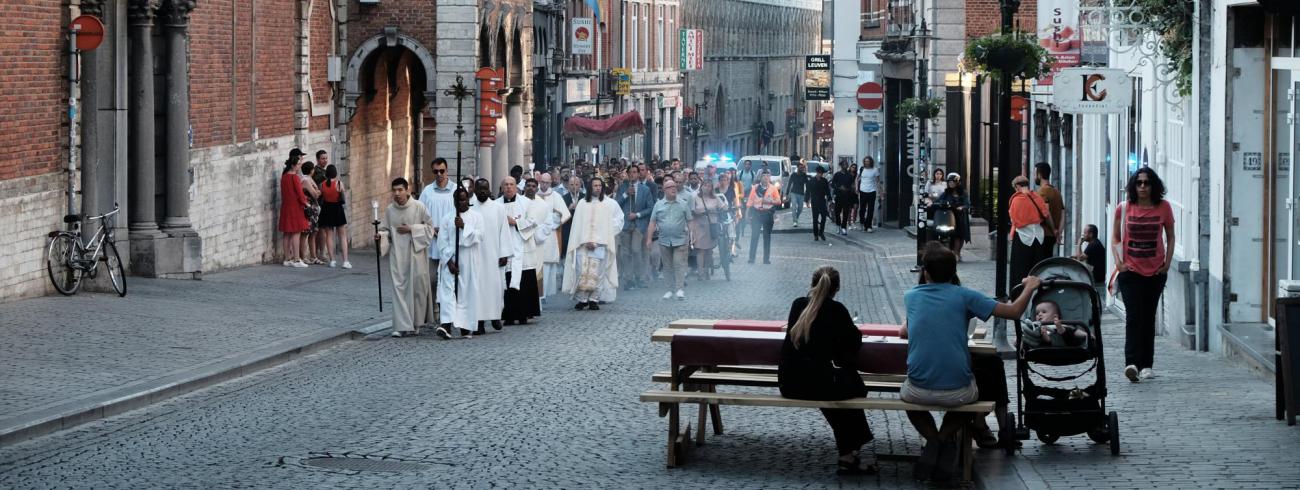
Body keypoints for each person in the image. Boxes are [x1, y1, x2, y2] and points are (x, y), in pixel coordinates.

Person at [899, 243, 1040, 481]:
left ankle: (933, 443)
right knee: (970, 397)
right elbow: (1014, 311)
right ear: (954, 271)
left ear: (925, 271)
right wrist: (1030, 287)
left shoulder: (911, 296)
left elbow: (906, 331)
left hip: (917, 391)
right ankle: (943, 440)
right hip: (957, 392)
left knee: (908, 401)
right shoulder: (965, 296)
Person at [777, 266, 878, 475]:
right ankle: (850, 453)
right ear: (837, 288)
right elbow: (849, 349)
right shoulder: (837, 310)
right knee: (854, 388)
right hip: (815, 381)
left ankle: (848, 454)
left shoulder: (798, 305)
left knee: (838, 391)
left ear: (812, 284)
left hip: (789, 381)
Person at [1113, 167, 1175, 383]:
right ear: (1133, 185)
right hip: (1130, 271)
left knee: (1148, 318)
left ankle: (1147, 365)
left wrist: (1167, 264)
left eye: (1146, 183)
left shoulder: (1164, 208)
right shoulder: (1124, 208)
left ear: (1153, 185)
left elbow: (1171, 236)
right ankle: (1131, 363)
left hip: (1155, 272)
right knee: (1133, 317)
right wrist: (1119, 263)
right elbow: (1115, 237)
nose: (1142, 187)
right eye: (1138, 183)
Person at [375, 178, 437, 338]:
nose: (397, 193)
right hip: (398, 255)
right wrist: (380, 236)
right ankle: (401, 326)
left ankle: (416, 323)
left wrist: (412, 229)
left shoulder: (419, 207)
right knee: (399, 289)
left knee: (417, 289)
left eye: (400, 190)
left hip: (416, 255)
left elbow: (430, 229)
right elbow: (385, 230)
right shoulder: (390, 210)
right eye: (394, 190)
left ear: (407, 190)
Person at [564, 177, 619, 310]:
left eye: (600, 185)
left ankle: (594, 298)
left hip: (599, 245)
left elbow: (606, 227)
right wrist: (585, 240)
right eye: (595, 185)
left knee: (598, 273)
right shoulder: (582, 204)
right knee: (581, 271)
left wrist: (597, 241)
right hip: (583, 244)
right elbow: (578, 226)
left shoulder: (606, 205)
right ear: (590, 187)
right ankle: (582, 299)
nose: (598, 188)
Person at [435, 187, 482, 339]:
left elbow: (480, 236)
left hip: (468, 257)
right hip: (451, 258)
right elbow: (442, 241)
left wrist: (464, 226)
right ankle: (446, 325)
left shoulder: (476, 217)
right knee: (448, 292)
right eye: (457, 200)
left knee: (466, 292)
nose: (460, 202)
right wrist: (448, 262)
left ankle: (465, 325)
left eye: (463, 199)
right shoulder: (447, 218)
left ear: (468, 199)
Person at [499, 177, 544, 325]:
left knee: (524, 280)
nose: (509, 187)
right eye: (506, 185)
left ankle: (524, 313)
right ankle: (508, 315)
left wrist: (515, 222)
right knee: (506, 280)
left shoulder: (526, 203)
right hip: (504, 248)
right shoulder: (496, 205)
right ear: (502, 187)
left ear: (517, 187)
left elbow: (533, 221)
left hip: (523, 247)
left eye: (511, 184)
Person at [470, 178, 512, 333]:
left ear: (489, 190)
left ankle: (495, 316)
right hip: (476, 255)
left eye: (485, 189)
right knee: (478, 289)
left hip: (494, 254)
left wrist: (505, 253)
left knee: (495, 288)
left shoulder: (498, 208)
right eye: (479, 189)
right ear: (474, 190)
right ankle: (479, 322)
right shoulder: (470, 208)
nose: (482, 192)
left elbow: (504, 231)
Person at [646, 177, 693, 300]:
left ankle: (679, 289)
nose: (674, 188)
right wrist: (649, 239)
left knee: (678, 264)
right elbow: (652, 222)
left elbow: (690, 220)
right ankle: (669, 290)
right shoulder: (658, 205)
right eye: (670, 187)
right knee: (667, 266)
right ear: (665, 190)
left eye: (675, 187)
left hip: (680, 239)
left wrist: (692, 236)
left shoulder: (683, 203)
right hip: (664, 240)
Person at [419, 158, 456, 297]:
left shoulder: (456, 190)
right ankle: (434, 310)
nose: (439, 174)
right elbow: (420, 213)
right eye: (436, 171)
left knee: (450, 279)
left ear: (447, 171)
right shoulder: (427, 191)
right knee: (432, 279)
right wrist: (431, 229)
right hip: (432, 241)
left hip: (450, 241)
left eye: (442, 171)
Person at [1008, 175, 1053, 287]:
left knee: (1020, 270)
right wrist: (1054, 230)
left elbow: (1014, 220)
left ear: (1017, 186)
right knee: (1036, 269)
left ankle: (1019, 294)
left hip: (1022, 237)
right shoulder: (1037, 197)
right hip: (1038, 237)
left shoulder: (1016, 200)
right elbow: (1046, 215)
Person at [537, 173, 572, 300]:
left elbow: (564, 214)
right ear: (539, 182)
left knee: (547, 265)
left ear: (551, 182)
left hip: (551, 235)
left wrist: (551, 221)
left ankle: (545, 293)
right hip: (536, 234)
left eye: (547, 182)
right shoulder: (534, 195)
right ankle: (538, 294)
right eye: (542, 182)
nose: (544, 185)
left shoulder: (556, 196)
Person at [616, 172, 654, 290]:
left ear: (637, 174)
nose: (632, 175)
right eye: (630, 172)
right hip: (625, 225)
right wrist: (626, 194)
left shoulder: (645, 189)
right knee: (625, 253)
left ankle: (640, 277)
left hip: (638, 225)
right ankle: (628, 279)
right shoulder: (622, 187)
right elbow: (616, 204)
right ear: (628, 174)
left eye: (635, 172)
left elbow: (650, 208)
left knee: (636, 250)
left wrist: (637, 215)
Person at [278, 149, 310, 268]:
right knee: (296, 233)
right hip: (295, 208)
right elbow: (300, 194)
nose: (299, 166)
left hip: (286, 206)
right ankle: (297, 259)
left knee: (287, 233)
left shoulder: (284, 176)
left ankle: (287, 259)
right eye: (298, 164)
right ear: (293, 165)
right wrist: (306, 204)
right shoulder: (295, 178)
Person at [317, 165, 352, 269]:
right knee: (342, 235)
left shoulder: (322, 185)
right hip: (337, 209)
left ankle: (332, 260)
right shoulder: (339, 183)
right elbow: (343, 198)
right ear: (335, 173)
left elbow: (321, 197)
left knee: (329, 235)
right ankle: (345, 261)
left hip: (327, 209)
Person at [690, 178, 725, 281]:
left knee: (709, 250)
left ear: (711, 188)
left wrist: (725, 208)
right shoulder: (695, 198)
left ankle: (707, 271)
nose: (707, 187)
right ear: (701, 187)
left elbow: (723, 206)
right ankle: (700, 272)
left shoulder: (715, 198)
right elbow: (692, 210)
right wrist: (698, 212)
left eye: (709, 186)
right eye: (705, 185)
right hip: (699, 226)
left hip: (711, 226)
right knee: (700, 250)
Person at [1024, 300, 1088, 347]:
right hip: (1047, 344)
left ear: (1055, 316)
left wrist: (1059, 326)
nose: (1039, 314)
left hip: (1064, 339)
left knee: (1070, 330)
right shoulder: (1036, 325)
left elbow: (1074, 331)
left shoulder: (1059, 324)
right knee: (1034, 334)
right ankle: (1046, 338)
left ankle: (1086, 334)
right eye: (1037, 313)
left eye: (1044, 312)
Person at [937, 173, 972, 260]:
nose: (951, 183)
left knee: (959, 235)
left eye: (953, 182)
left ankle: (957, 253)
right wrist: (931, 203)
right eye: (949, 182)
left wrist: (962, 207)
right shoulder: (946, 193)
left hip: (960, 217)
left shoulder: (963, 193)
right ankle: (950, 253)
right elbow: (939, 200)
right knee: (950, 234)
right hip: (949, 217)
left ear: (957, 182)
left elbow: (967, 204)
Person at [1035, 162, 1065, 256]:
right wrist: (1059, 232)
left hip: (1044, 234)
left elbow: (1046, 212)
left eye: (1034, 174)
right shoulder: (1057, 192)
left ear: (1039, 174)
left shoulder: (1042, 191)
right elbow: (1063, 213)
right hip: (1052, 236)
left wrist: (1054, 230)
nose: (1034, 176)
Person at [1073, 224, 1107, 296]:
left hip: (1096, 276)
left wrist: (1079, 244)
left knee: (1074, 267)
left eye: (1085, 233)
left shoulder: (1094, 245)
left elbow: (1080, 258)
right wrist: (1073, 257)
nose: (1083, 235)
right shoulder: (1093, 243)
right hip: (1095, 273)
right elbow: (1083, 256)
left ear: (1091, 234)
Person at [300, 161, 323, 265]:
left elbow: (319, 191)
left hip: (314, 210)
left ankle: (313, 256)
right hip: (308, 210)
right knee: (305, 233)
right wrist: (317, 192)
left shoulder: (309, 179)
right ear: (311, 170)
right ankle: (303, 257)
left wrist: (317, 192)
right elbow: (315, 194)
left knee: (313, 233)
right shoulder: (305, 180)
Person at [857, 157, 881, 232]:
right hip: (863, 191)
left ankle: (868, 226)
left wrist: (881, 190)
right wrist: (856, 188)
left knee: (871, 209)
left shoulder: (875, 169)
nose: (867, 162)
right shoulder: (861, 169)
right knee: (862, 209)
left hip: (872, 191)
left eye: (868, 161)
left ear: (871, 162)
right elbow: (857, 179)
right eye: (865, 161)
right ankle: (862, 223)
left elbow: (878, 181)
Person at [808, 165, 832, 241]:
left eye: (821, 173)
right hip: (814, 201)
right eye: (819, 173)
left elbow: (827, 191)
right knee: (815, 219)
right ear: (817, 173)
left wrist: (829, 198)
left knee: (824, 217)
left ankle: (821, 232)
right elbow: (808, 191)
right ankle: (815, 234)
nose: (820, 174)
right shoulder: (811, 180)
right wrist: (807, 200)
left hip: (822, 200)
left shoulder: (824, 181)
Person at [831, 160, 855, 235]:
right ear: (841, 165)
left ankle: (844, 227)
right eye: (843, 164)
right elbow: (832, 184)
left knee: (846, 212)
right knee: (837, 211)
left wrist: (849, 189)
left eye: (846, 164)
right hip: (838, 195)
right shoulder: (837, 174)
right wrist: (839, 187)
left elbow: (852, 185)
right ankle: (838, 225)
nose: (845, 166)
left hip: (847, 196)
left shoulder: (850, 175)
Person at [787, 162, 809, 227]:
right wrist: (787, 192)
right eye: (800, 168)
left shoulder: (804, 175)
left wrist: (808, 194)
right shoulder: (793, 175)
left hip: (801, 194)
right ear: (797, 167)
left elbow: (807, 185)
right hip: (793, 193)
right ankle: (795, 221)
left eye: (802, 168)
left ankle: (796, 217)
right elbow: (789, 183)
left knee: (800, 208)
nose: (801, 169)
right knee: (793, 207)